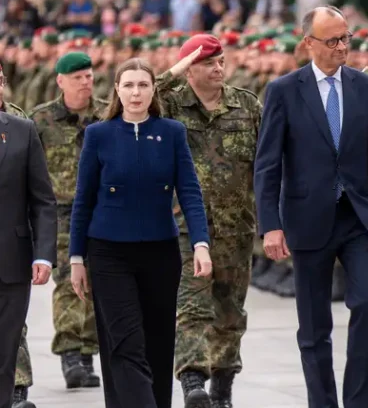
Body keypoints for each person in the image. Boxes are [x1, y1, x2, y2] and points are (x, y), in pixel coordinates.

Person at [254, 5, 368, 408]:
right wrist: (271, 225)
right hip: (307, 219)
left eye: (346, 38)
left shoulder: (366, 88)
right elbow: (268, 164)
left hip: (358, 217)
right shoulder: (284, 91)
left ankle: (359, 402)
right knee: (314, 326)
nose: (342, 46)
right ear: (309, 43)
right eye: (333, 40)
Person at [68, 58, 213, 408]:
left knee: (158, 343)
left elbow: (189, 191)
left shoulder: (172, 132)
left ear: (153, 90)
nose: (136, 93)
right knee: (125, 341)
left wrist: (200, 243)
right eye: (129, 85)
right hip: (108, 253)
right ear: (117, 90)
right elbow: (83, 199)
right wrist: (76, 257)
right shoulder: (99, 134)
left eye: (143, 85)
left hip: (160, 252)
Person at [158, 34, 262, 408]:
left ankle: (222, 385)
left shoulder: (246, 105)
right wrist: (175, 70)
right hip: (185, 226)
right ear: (189, 69)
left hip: (237, 228)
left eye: (221, 61)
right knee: (191, 307)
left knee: (230, 313)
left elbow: (268, 161)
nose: (218, 68)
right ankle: (192, 382)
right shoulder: (171, 105)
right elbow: (133, 98)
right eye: (207, 63)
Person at [28, 51, 106, 390]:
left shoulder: (106, 115)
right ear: (60, 81)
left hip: (102, 211)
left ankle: (88, 351)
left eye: (88, 76)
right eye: (77, 78)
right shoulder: (41, 120)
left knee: (98, 282)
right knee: (67, 281)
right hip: (61, 214)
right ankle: (71, 353)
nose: (85, 82)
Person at [0, 110, 56, 408]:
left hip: (11, 261)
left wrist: (44, 255)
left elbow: (42, 200)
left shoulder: (23, 131)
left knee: (4, 356)